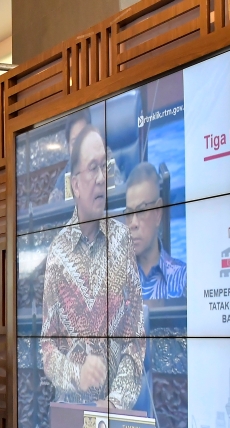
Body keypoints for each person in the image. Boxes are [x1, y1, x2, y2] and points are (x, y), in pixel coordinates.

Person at [40, 124, 146, 410]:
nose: (101, 178)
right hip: (71, 414)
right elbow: (48, 348)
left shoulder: (122, 241)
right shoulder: (58, 253)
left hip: (117, 418)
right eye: (92, 168)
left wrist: (116, 402)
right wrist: (77, 375)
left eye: (105, 167)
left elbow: (135, 338)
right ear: (75, 184)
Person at [124, 162, 186, 300]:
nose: (133, 223)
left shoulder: (183, 281)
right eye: (129, 213)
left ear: (158, 212)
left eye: (141, 211)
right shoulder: (115, 284)